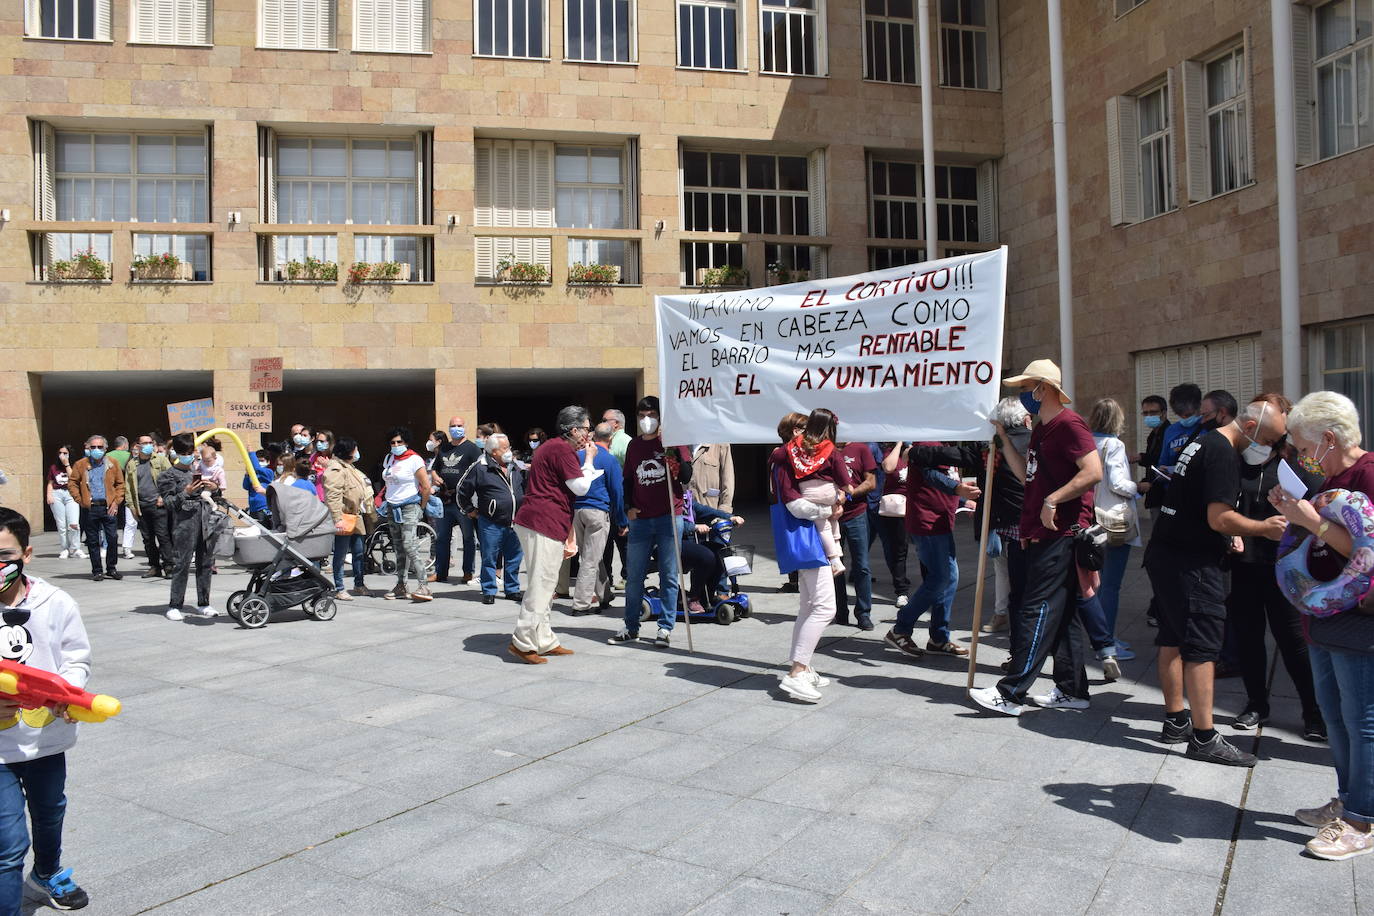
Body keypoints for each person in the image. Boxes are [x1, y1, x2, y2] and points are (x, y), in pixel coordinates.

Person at [1143, 395, 1290, 767]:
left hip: (1166, 553)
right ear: (1252, 428)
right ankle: (1205, 738)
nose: (1269, 449)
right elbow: (1219, 517)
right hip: (1191, 564)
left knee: (1172, 637)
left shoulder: (1202, 441)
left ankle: (1177, 720)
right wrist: (1262, 528)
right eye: (1270, 441)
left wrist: (1228, 533)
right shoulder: (1223, 452)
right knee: (1203, 648)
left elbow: (1197, 505)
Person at [1270, 392, 1374, 859]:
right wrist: (1295, 513)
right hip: (1322, 615)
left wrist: (1311, 521)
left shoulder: (1368, 475)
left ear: (1329, 439)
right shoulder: (1329, 480)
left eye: (1301, 446)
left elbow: (1364, 549)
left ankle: (1362, 820)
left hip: (1358, 621)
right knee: (1334, 716)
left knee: (1361, 720)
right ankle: (1349, 799)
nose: (1298, 456)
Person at [970, 359, 1101, 717]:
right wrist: (1001, 437)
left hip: (1062, 534)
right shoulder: (1043, 428)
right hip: (1044, 532)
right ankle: (1072, 689)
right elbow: (1027, 476)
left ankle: (1011, 692)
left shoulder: (1070, 424)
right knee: (1063, 615)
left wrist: (1053, 500)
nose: (1024, 394)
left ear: (1044, 388)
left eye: (1028, 388)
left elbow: (1093, 472)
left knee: (1036, 609)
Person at [0, 508, 93, 912]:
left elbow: (76, 656)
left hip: (45, 740)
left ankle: (47, 873)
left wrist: (69, 693)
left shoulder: (56, 602)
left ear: (27, 554)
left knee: (50, 810)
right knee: (8, 846)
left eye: (4, 553)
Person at [1226, 399, 1325, 738]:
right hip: (1245, 563)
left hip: (1285, 565)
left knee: (1293, 640)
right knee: (1249, 637)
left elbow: (1320, 505)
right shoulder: (1241, 461)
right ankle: (1256, 704)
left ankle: (1314, 711)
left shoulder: (1298, 462)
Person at [509, 406, 600, 663]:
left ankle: (544, 639)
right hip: (543, 521)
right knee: (542, 583)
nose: (588, 434)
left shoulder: (553, 447)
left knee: (546, 583)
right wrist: (590, 461)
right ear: (574, 430)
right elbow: (580, 487)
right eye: (586, 428)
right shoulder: (561, 449)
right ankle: (523, 641)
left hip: (541, 520)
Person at [770, 409, 845, 702]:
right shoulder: (787, 460)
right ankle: (797, 673)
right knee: (825, 608)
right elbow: (794, 503)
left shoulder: (796, 459)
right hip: (807, 537)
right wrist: (828, 510)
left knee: (809, 605)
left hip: (808, 536)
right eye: (804, 428)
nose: (811, 435)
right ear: (793, 432)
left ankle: (803, 666)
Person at [610, 397, 694, 649]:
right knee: (634, 575)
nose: (647, 420)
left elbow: (686, 477)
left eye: (652, 415)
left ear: (660, 417)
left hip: (669, 517)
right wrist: (628, 508)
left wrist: (674, 453)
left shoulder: (672, 442)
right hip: (641, 520)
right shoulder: (634, 446)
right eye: (643, 415)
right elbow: (627, 481)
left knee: (669, 575)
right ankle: (631, 626)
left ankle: (665, 628)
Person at [883, 442, 980, 659]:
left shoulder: (946, 444)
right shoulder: (928, 444)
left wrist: (963, 499)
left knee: (949, 578)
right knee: (940, 578)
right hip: (927, 523)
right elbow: (931, 476)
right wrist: (958, 489)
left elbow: (946, 479)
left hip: (941, 522)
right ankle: (900, 629)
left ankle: (938, 638)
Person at [1087, 397, 1141, 672]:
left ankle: (1099, 636)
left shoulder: (1086, 443)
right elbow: (1120, 484)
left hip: (1091, 521)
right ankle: (1106, 641)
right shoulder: (1114, 445)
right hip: (1114, 523)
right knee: (1111, 585)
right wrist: (1138, 486)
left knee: (1093, 583)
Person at [981, 397, 1031, 635]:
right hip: (1026, 517)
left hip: (1002, 517)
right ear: (1024, 417)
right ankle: (1015, 616)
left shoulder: (995, 443)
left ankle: (1002, 613)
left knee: (1002, 569)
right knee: (1025, 572)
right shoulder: (1032, 439)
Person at [158, 433, 221, 621]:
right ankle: (175, 604)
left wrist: (213, 487)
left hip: (203, 519)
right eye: (184, 452)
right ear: (176, 452)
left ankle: (204, 602)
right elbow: (168, 503)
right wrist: (185, 492)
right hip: (184, 523)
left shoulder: (198, 470)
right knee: (182, 563)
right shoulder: (167, 476)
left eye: (190, 452)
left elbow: (212, 494)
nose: (189, 456)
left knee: (205, 563)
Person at [459, 434, 526, 605]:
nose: (509, 451)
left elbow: (524, 488)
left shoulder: (515, 467)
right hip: (491, 522)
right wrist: (469, 510)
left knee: (514, 558)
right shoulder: (480, 468)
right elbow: (462, 490)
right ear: (494, 452)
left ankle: (512, 589)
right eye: (505, 448)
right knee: (489, 557)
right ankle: (489, 590)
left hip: (515, 521)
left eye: (509, 447)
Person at [781, 410, 848, 576]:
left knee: (824, 526)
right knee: (831, 521)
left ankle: (834, 558)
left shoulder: (789, 453)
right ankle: (836, 552)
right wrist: (840, 497)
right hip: (827, 494)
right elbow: (843, 477)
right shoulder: (828, 448)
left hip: (811, 494)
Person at [570, 422, 626, 615]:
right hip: (597, 511)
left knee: (593, 556)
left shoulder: (577, 456)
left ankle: (604, 596)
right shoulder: (610, 460)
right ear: (610, 438)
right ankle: (581, 604)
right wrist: (622, 520)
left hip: (577, 511)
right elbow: (617, 492)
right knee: (590, 559)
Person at [380, 427, 433, 602]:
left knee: (410, 545)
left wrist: (421, 508)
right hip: (392, 507)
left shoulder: (414, 459)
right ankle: (401, 585)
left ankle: (424, 585)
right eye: (393, 442)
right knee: (398, 547)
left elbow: (426, 486)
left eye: (399, 442)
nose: (396, 445)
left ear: (406, 442)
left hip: (409, 506)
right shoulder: (389, 458)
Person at [431, 417, 482, 585]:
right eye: (453, 426)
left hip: (463, 503)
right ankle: (440, 572)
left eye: (459, 426)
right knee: (442, 538)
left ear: (464, 427)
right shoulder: (444, 448)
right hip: (445, 501)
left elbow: (480, 472)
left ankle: (468, 572)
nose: (456, 428)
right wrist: (436, 477)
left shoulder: (472, 449)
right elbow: (434, 469)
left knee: (468, 538)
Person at [833, 437, 878, 630]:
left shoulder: (861, 449)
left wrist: (850, 494)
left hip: (856, 514)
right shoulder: (825, 450)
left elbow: (871, 482)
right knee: (834, 566)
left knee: (862, 566)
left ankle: (863, 613)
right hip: (831, 516)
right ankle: (840, 611)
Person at [67, 436, 124, 582]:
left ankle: (111, 568)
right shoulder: (80, 464)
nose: (96, 450)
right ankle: (97, 570)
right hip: (90, 507)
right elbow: (72, 483)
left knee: (112, 538)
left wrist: (116, 502)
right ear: (88, 448)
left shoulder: (113, 463)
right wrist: (80, 500)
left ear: (105, 449)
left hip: (108, 507)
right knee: (92, 540)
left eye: (100, 447)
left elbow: (120, 484)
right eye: (93, 447)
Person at [323, 437, 372, 601]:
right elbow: (333, 496)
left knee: (359, 552)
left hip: (355, 516)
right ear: (348, 452)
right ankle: (339, 587)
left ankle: (359, 584)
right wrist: (337, 518)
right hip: (343, 517)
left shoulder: (348, 467)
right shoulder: (336, 469)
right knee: (341, 554)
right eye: (355, 450)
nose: (357, 453)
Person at [124, 433, 173, 579]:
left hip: (159, 505)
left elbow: (171, 479)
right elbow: (128, 487)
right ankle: (154, 566)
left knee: (163, 537)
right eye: (144, 443)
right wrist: (132, 507)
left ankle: (169, 566)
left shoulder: (161, 460)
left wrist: (162, 496)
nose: (147, 446)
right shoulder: (132, 464)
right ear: (137, 446)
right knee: (147, 539)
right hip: (141, 507)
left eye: (150, 443)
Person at [877, 442, 912, 608]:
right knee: (898, 550)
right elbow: (888, 468)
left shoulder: (917, 450)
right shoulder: (890, 452)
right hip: (896, 510)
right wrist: (899, 442)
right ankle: (901, 591)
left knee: (923, 548)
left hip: (917, 506)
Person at [1157, 383, 1203, 479]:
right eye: (1180, 414)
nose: (1184, 418)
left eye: (1188, 414)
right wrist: (1162, 472)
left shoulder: (1208, 428)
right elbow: (1163, 462)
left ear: (1199, 406)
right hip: (1175, 487)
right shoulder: (1170, 431)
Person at [45, 447, 82, 560]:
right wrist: (49, 495)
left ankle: (75, 548)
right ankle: (65, 548)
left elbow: (73, 478)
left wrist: (66, 464)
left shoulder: (75, 465)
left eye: (65, 453)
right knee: (61, 525)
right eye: (60, 453)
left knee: (74, 523)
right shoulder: (53, 467)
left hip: (71, 494)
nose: (62, 455)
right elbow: (50, 482)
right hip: (57, 494)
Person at [106, 437, 137, 561]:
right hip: (127, 491)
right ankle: (127, 548)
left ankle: (107, 546)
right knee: (130, 521)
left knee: (110, 519)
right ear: (125, 445)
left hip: (111, 492)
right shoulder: (129, 456)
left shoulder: (106, 456)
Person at [244, 443, 282, 526]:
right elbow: (245, 486)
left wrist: (251, 453)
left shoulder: (269, 472)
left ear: (268, 462)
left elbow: (257, 468)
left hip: (263, 508)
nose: (259, 463)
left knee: (263, 530)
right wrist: (247, 475)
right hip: (253, 507)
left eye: (262, 461)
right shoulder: (252, 473)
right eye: (257, 461)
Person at [689, 444, 734, 513]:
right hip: (686, 510)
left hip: (711, 508)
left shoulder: (720, 443)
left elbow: (728, 478)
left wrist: (725, 509)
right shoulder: (681, 444)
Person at [310, 429, 335, 500]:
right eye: (317, 441)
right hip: (313, 495)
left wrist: (328, 466)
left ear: (329, 443)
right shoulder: (314, 456)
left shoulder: (334, 458)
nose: (318, 443)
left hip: (327, 497)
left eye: (322, 441)